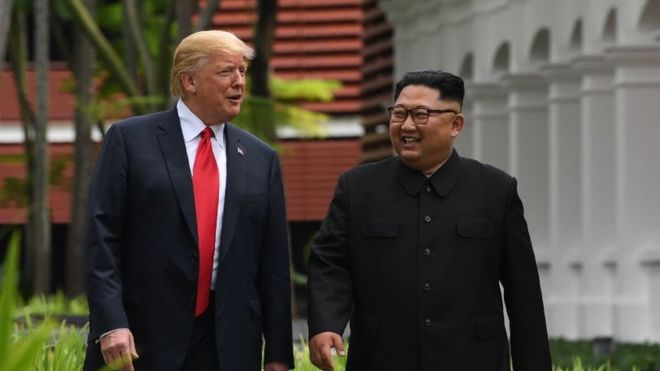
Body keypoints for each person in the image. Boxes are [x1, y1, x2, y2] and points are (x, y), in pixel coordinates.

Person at [307, 70, 551, 371]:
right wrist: (325, 323)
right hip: (381, 359)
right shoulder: (358, 188)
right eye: (399, 113)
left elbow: (523, 292)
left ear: (456, 124)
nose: (407, 125)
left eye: (421, 115)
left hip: (473, 360)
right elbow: (330, 262)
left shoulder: (496, 190)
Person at [83, 30, 293, 371]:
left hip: (227, 344)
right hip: (140, 339)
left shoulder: (261, 158)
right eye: (226, 72)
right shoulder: (130, 141)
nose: (239, 82)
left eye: (242, 71)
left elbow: (273, 262)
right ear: (190, 80)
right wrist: (111, 323)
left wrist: (279, 355)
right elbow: (101, 239)